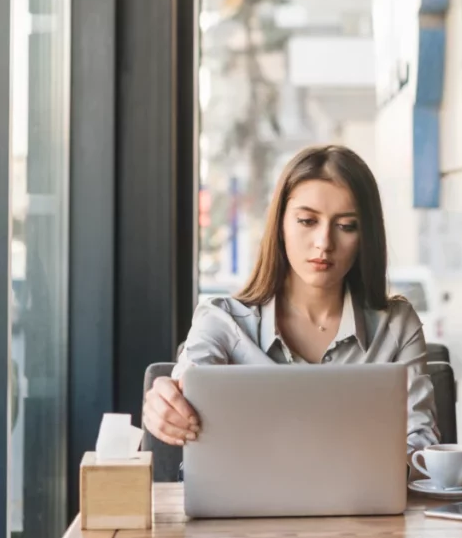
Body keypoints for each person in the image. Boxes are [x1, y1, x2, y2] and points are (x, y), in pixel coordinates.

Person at [143, 144, 439, 463]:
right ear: (281, 225)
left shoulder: (396, 325)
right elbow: (189, 381)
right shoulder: (221, 321)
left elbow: (420, 441)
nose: (324, 243)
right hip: (241, 511)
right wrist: (165, 401)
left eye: (346, 226)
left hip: (364, 511)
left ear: (365, 235)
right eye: (307, 221)